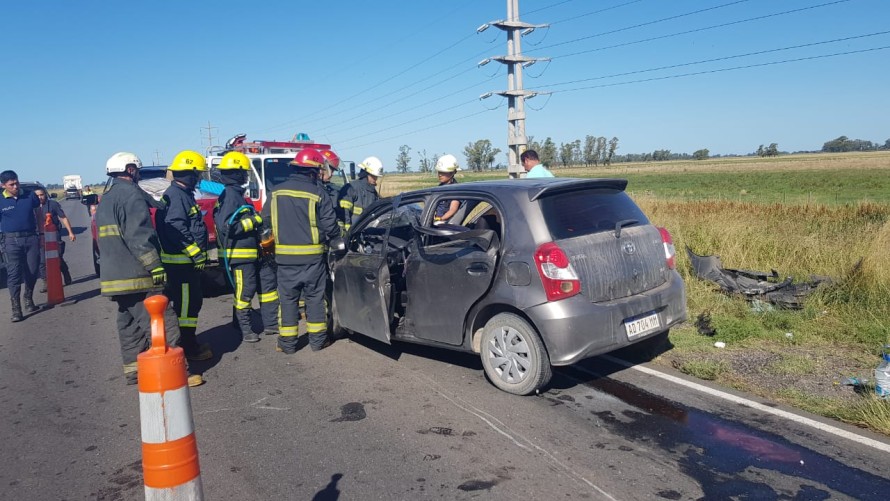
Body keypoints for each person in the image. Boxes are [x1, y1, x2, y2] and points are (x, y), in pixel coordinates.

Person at [96, 152, 202, 387]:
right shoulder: (131, 194)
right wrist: (154, 265)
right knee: (162, 321)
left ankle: (135, 371)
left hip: (115, 276)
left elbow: (150, 205)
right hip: (136, 274)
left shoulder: (108, 196)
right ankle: (176, 372)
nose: (140, 175)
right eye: (138, 171)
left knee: (129, 324)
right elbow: (139, 235)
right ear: (131, 169)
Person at [262, 148, 340, 354]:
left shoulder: (276, 192)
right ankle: (318, 342)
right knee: (314, 299)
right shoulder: (318, 193)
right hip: (312, 259)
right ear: (313, 171)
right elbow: (330, 226)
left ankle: (287, 345)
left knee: (287, 301)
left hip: (285, 259)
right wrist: (337, 242)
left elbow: (266, 221)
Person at [213, 151, 279, 343]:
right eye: (244, 172)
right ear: (237, 173)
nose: (246, 176)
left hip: (249, 254)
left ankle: (269, 324)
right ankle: (245, 328)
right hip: (240, 256)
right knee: (245, 292)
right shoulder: (231, 196)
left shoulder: (234, 195)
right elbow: (229, 227)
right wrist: (257, 219)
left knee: (263, 287)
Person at [157, 150, 213, 362]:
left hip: (184, 264)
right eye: (197, 174)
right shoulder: (177, 196)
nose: (198, 178)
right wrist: (195, 253)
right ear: (188, 174)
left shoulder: (181, 194)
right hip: (182, 266)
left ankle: (190, 344)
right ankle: (188, 349)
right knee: (186, 309)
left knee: (190, 306)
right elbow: (175, 227)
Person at [0, 170, 41, 321]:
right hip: (10, 241)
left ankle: (28, 297)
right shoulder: (1, 200)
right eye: (11, 184)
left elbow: (38, 214)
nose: (15, 186)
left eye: (16, 182)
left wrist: (41, 233)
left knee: (32, 270)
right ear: (3, 185)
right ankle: (16, 308)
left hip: (31, 238)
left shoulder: (30, 195)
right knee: (14, 274)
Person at [34, 188, 74, 290]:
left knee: (57, 258)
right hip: (39, 236)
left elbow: (63, 218)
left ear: (45, 195)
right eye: (37, 195)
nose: (40, 197)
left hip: (53, 234)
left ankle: (65, 272)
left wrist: (70, 232)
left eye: (42, 195)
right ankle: (46, 282)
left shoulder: (53, 204)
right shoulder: (32, 207)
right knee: (42, 261)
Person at [338, 156, 383, 232]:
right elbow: (344, 214)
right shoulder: (351, 188)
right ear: (366, 174)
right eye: (374, 176)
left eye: (376, 177)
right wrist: (348, 233)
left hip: (367, 232)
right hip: (353, 232)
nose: (375, 179)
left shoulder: (373, 192)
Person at [433, 154, 461, 224]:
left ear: (453, 172)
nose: (440, 175)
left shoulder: (455, 189)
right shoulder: (440, 187)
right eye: (439, 172)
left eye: (443, 172)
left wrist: (440, 220)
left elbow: (453, 209)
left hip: (447, 224)